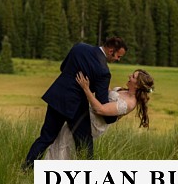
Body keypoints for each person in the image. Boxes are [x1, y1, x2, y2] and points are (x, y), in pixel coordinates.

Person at [23, 37, 127, 168]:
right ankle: (88, 176)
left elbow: (63, 67)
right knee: (84, 143)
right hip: (76, 105)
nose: (118, 59)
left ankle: (26, 169)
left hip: (57, 96)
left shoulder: (79, 47)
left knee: (46, 137)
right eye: (118, 56)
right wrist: (114, 116)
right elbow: (102, 102)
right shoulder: (103, 71)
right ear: (111, 50)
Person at [44, 69, 154, 159]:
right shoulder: (122, 90)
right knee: (61, 140)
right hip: (84, 116)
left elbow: (100, 109)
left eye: (133, 77)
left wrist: (86, 88)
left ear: (138, 85)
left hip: (93, 124)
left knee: (67, 145)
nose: (129, 76)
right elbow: (105, 95)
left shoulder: (129, 104)